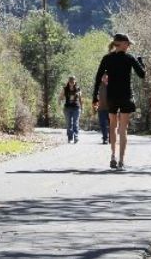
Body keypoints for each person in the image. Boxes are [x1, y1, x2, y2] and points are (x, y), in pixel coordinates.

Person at [92, 33, 145, 170]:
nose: (129, 46)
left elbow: (98, 78)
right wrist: (141, 62)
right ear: (121, 43)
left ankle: (113, 156)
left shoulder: (107, 58)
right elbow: (142, 74)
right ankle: (121, 160)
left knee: (113, 127)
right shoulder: (130, 58)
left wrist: (95, 97)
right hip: (126, 96)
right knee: (123, 129)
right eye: (127, 43)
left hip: (112, 97)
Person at [58, 75, 82, 143]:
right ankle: (70, 137)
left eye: (73, 81)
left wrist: (82, 108)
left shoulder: (78, 89)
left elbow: (80, 99)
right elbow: (60, 97)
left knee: (75, 123)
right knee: (69, 124)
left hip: (76, 108)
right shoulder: (65, 89)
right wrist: (59, 102)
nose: (72, 83)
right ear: (68, 81)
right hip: (67, 108)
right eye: (70, 81)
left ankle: (76, 136)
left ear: (75, 81)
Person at [95, 71, 110, 144]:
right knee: (103, 124)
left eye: (105, 76)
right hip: (101, 108)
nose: (104, 78)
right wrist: (95, 104)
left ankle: (111, 137)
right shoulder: (99, 85)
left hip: (111, 108)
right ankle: (105, 138)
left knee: (112, 124)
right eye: (103, 77)